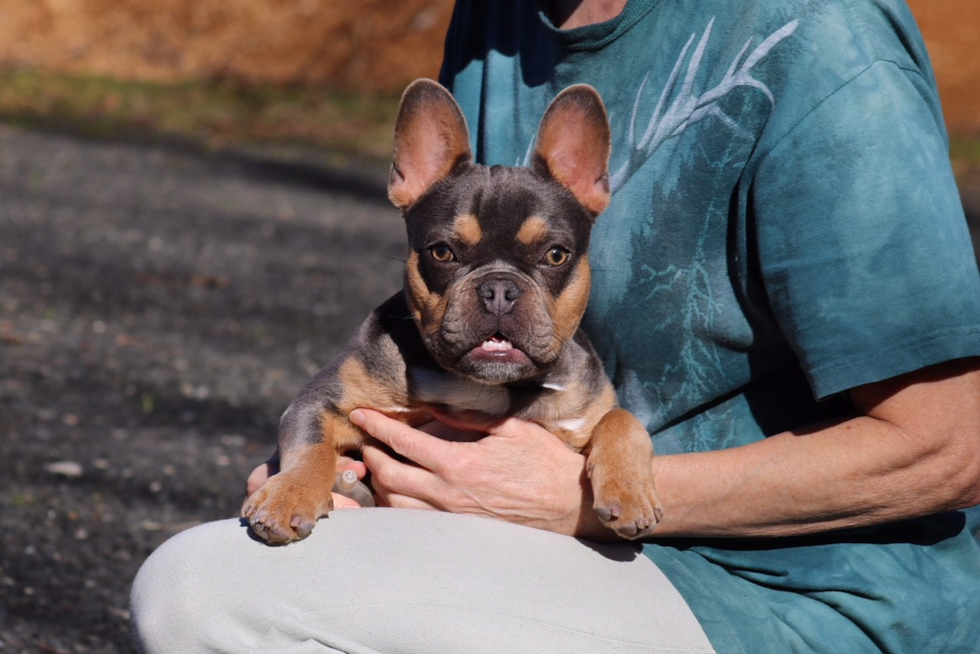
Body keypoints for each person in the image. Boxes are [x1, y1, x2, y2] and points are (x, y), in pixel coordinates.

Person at [131, 0, 980, 651]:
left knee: (201, 591)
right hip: (537, 532)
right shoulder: (497, 18)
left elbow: (955, 445)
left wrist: (567, 501)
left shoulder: (826, 41)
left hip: (798, 596)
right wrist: (357, 470)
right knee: (252, 551)